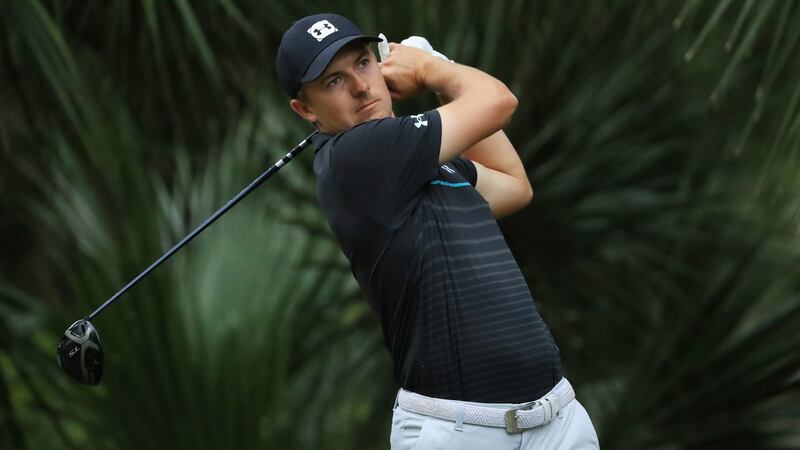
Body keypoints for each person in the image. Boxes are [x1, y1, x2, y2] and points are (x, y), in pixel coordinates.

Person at [275, 13, 599, 449]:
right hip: (461, 432)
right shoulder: (355, 156)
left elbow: (514, 185)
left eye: (364, 63)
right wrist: (432, 70)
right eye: (333, 81)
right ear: (305, 109)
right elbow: (499, 101)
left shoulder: (422, 161)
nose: (360, 85)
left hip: (556, 421)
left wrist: (442, 75)